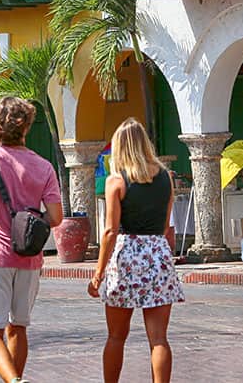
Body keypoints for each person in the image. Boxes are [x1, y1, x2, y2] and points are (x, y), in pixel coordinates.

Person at [0, 97, 63, 383]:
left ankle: (16, 382)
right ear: (26, 127)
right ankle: (15, 379)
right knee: (18, 327)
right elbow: (55, 216)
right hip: (29, 257)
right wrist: (29, 223)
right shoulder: (43, 167)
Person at [87, 117, 184, 383]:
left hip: (128, 255)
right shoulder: (166, 177)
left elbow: (109, 231)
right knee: (159, 339)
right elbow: (166, 226)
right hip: (158, 253)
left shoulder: (116, 181)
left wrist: (98, 275)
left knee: (116, 336)